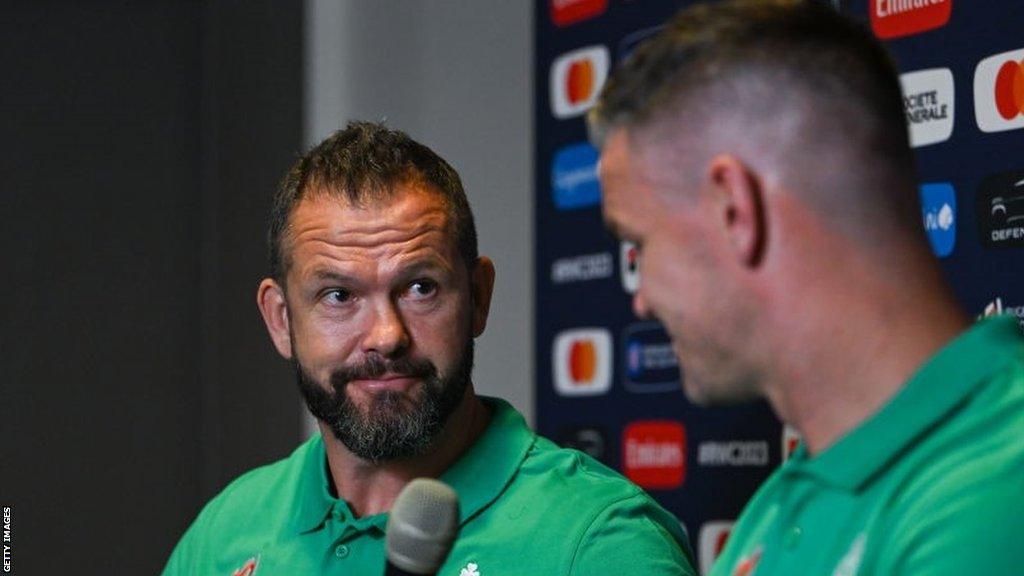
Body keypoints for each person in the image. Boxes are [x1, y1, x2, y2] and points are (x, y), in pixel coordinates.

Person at [588, 1, 1024, 574]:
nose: (640, 298)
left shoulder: (992, 494)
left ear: (734, 210)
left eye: (640, 244)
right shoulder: (785, 499)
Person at [161, 122, 696, 576]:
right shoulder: (225, 533)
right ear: (281, 320)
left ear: (479, 297)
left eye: (421, 288)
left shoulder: (598, 544)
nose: (386, 336)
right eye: (339, 295)